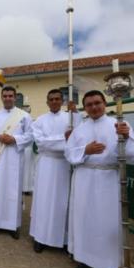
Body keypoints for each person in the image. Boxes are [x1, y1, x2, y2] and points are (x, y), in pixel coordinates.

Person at [65, 90, 134, 268]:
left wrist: (125, 137)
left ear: (104, 103)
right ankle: (84, 262)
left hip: (108, 181)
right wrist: (85, 151)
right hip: (84, 180)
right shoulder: (80, 128)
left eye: (97, 103)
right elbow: (68, 153)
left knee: (107, 224)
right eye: (89, 104)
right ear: (85, 107)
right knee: (84, 221)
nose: (93, 107)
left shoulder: (119, 124)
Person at [29, 89, 81, 253]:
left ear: (62, 101)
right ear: (47, 102)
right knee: (43, 201)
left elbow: (79, 135)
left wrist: (76, 113)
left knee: (63, 202)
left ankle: (64, 239)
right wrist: (64, 139)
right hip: (46, 164)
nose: (54, 102)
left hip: (64, 164)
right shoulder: (39, 121)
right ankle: (40, 237)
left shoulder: (70, 118)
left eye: (57, 99)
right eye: (51, 99)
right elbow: (41, 143)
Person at [0, 86, 33, 239]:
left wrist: (15, 139)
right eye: (5, 96)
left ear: (15, 97)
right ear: (2, 97)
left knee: (13, 191)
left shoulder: (24, 116)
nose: (8, 98)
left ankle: (12, 226)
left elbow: (31, 135)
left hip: (15, 159)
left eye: (11, 95)